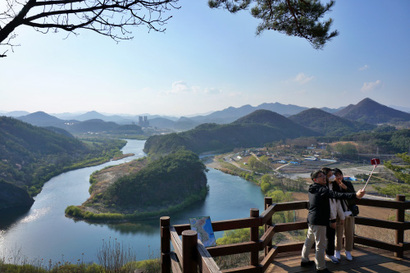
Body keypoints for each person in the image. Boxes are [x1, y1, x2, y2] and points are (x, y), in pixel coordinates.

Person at [301, 170, 365, 273]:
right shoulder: (321, 189)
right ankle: (321, 268)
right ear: (315, 180)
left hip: (312, 219)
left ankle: (304, 260)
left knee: (309, 240)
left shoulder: (312, 188)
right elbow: (336, 194)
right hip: (319, 221)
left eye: (324, 175)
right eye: (321, 176)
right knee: (320, 245)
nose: (324, 177)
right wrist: (355, 195)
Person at [321, 167, 345, 264]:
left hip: (332, 217)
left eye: (332, 175)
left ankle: (330, 254)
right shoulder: (323, 188)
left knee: (330, 236)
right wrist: (333, 219)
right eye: (330, 175)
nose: (333, 177)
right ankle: (320, 256)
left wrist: (341, 216)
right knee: (323, 237)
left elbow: (337, 203)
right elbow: (329, 205)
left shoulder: (333, 186)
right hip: (325, 217)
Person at [332, 168, 356, 261]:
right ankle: (337, 250)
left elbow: (354, 197)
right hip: (338, 214)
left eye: (340, 175)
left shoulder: (348, 184)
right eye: (336, 175)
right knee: (338, 233)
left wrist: (345, 188)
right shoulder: (332, 186)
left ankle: (348, 251)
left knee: (349, 232)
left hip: (349, 213)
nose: (339, 177)